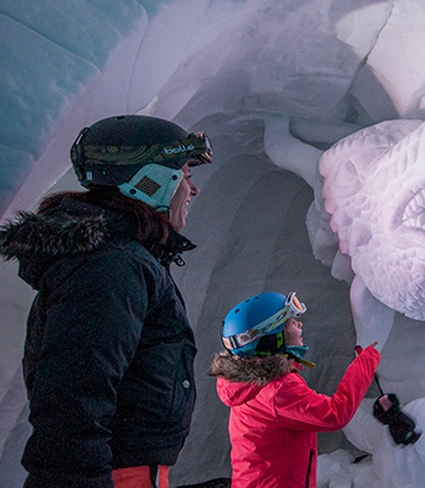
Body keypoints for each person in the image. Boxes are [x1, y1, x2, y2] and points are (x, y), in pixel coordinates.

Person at [0, 114, 213, 487]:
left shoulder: (121, 260)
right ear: (151, 181)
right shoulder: (111, 266)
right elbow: (74, 393)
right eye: (186, 176)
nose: (193, 191)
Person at [209, 291, 381, 488]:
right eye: (290, 322)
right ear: (273, 338)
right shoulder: (277, 390)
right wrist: (366, 362)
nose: (299, 324)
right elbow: (335, 413)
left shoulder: (247, 383)